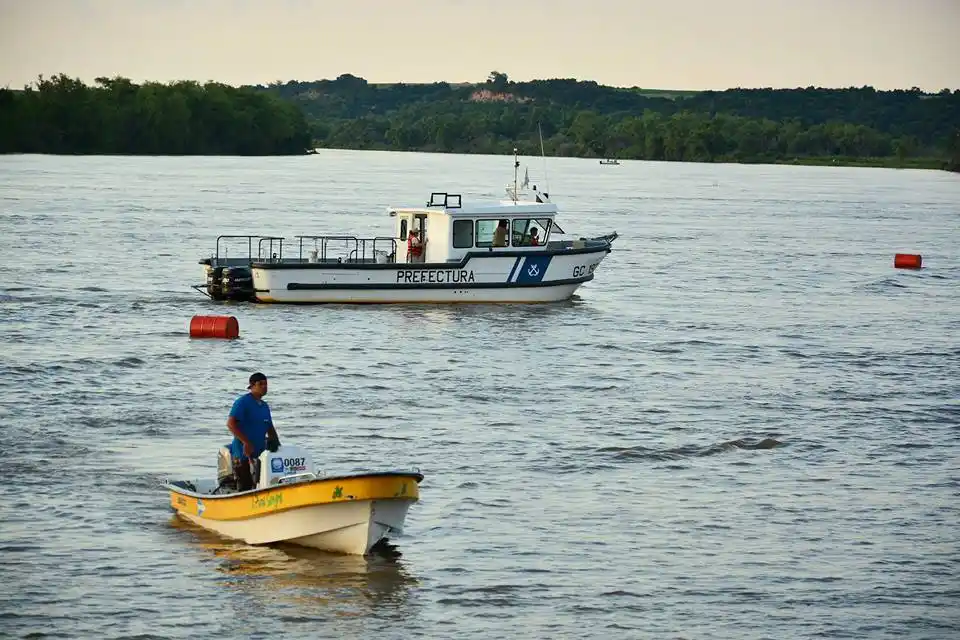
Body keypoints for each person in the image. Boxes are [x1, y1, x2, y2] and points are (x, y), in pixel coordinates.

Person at [227, 372, 280, 491]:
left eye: (266, 384)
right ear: (252, 385)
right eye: (260, 384)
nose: (264, 387)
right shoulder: (243, 402)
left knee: (261, 485)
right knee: (245, 486)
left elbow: (269, 427)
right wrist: (246, 442)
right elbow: (230, 424)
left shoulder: (264, 406)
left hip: (260, 454)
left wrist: (277, 445)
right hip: (243, 453)